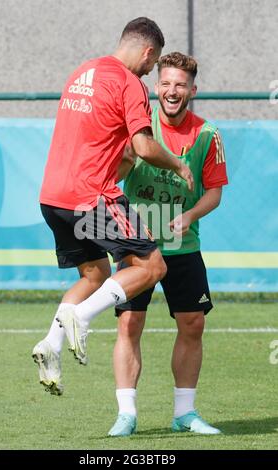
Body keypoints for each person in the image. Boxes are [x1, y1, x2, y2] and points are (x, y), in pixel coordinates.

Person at [32, 19, 194, 396]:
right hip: (90, 197)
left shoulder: (82, 72)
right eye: (152, 67)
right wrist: (178, 163)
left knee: (93, 277)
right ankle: (81, 318)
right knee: (153, 265)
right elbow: (142, 147)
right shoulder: (129, 83)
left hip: (53, 198)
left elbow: (106, 143)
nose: (149, 72)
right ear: (148, 52)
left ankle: (50, 345)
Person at [108, 52, 228, 436]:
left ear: (193, 90)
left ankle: (184, 413)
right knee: (130, 323)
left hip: (183, 244)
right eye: (165, 83)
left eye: (180, 85)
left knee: (192, 324)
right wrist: (124, 161)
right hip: (136, 244)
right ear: (155, 86)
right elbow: (114, 173)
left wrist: (190, 216)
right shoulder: (137, 127)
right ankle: (126, 414)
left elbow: (214, 193)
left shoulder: (207, 134)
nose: (171, 91)